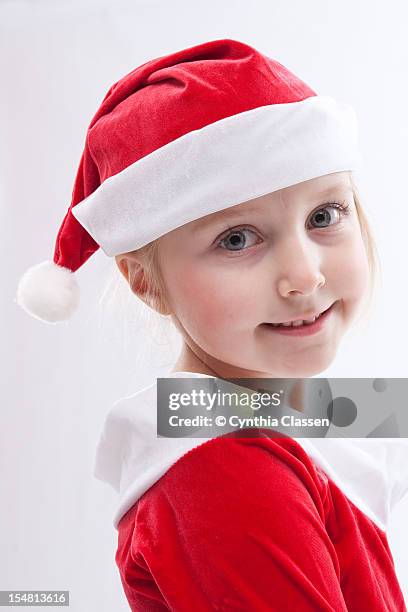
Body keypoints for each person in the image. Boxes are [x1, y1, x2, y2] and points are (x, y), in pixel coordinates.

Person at [16, 38, 407, 610]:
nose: (304, 276)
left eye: (325, 215)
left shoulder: (251, 407)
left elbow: (370, 420)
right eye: (237, 239)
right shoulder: (229, 469)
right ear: (145, 282)